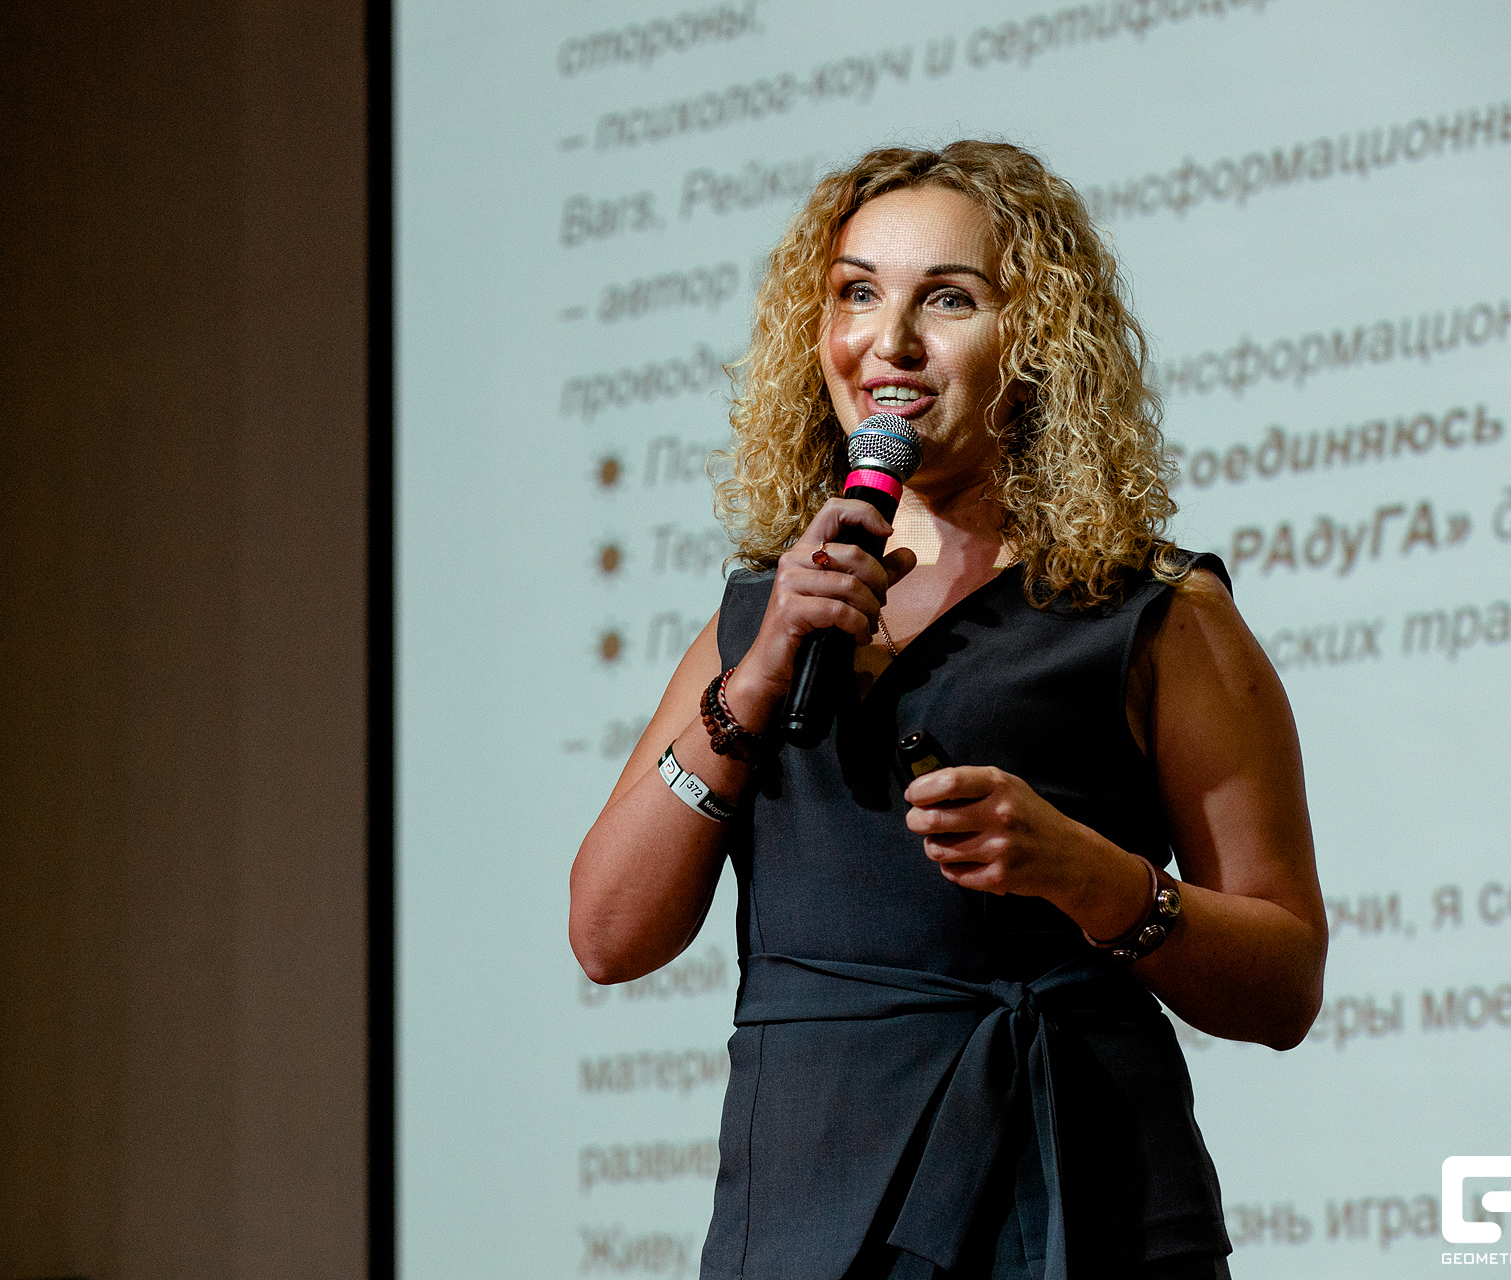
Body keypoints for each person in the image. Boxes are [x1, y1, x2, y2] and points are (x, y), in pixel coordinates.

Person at [568, 141, 1327, 1280]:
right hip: (802, 1221)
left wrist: (1091, 875)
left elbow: (1285, 983)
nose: (890, 341)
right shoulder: (762, 619)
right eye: (856, 294)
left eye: (949, 299)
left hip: (1072, 1210)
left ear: (1037, 341)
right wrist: (755, 676)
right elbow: (608, 936)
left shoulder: (1154, 613)